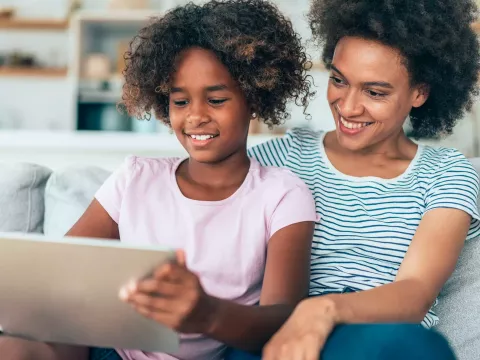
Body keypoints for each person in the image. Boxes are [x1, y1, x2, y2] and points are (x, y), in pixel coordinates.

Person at [0, 1, 318, 360]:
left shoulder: (281, 194)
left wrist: (207, 313)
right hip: (112, 349)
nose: (195, 116)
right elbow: (61, 267)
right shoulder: (135, 178)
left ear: (255, 97)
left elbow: (282, 318)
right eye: (180, 102)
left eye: (215, 99)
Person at [228, 0, 479, 359]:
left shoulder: (445, 173)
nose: (348, 107)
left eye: (375, 93)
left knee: (419, 348)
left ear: (420, 93)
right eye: (339, 81)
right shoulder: (283, 157)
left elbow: (415, 293)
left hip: (379, 341)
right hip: (280, 337)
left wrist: (322, 310)